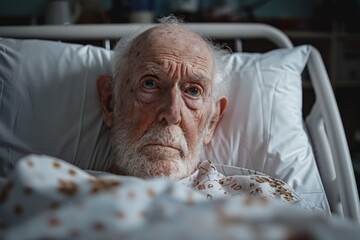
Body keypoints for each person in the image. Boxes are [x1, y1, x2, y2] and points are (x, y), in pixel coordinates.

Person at [96, 16, 228, 179]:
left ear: (212, 121)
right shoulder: (64, 188)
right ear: (110, 102)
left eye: (193, 91)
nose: (172, 113)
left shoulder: (255, 194)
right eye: (150, 83)